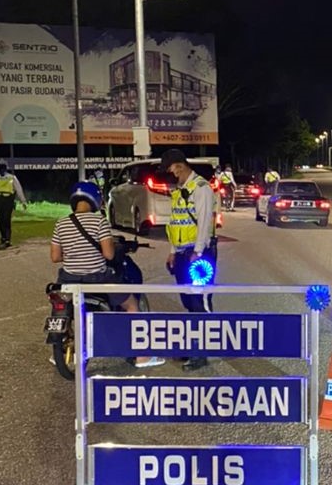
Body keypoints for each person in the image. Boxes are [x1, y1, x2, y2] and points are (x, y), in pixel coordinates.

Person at [50, 181, 158, 367]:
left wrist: (74, 254)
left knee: (59, 304)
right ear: (95, 199)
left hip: (68, 280)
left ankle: (57, 351)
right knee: (132, 305)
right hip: (97, 278)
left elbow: (55, 257)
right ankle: (141, 356)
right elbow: (108, 254)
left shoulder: (61, 223)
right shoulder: (99, 221)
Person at [162, 148, 218, 371]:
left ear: (180, 166)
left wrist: (198, 251)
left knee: (200, 303)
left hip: (198, 254)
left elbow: (204, 221)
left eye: (171, 169)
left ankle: (201, 353)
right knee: (188, 302)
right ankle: (193, 345)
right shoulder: (180, 190)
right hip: (182, 253)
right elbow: (175, 223)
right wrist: (172, 251)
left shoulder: (201, 188)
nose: (171, 174)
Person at [0, 161, 27, 247]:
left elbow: (18, 189)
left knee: (6, 219)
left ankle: (7, 239)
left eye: (3, 168)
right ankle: (3, 238)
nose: (2, 170)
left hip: (8, 199)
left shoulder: (12, 178)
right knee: (0, 219)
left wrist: (23, 201)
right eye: (0, 168)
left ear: (6, 169)